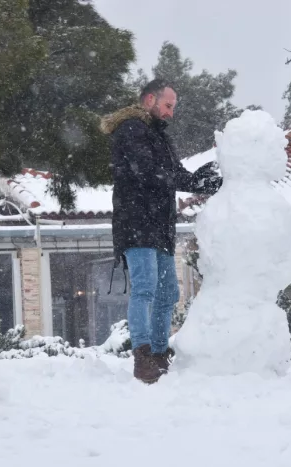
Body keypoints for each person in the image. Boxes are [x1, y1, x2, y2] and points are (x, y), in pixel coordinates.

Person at [100, 79, 222, 384]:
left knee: (169, 292)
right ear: (149, 100)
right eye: (168, 105)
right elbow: (147, 171)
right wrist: (187, 182)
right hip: (137, 224)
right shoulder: (131, 130)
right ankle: (142, 357)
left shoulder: (158, 135)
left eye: (173, 107)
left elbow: (173, 172)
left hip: (161, 226)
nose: (171, 113)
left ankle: (158, 353)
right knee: (145, 287)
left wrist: (199, 181)